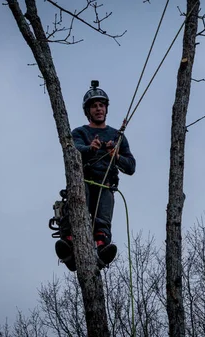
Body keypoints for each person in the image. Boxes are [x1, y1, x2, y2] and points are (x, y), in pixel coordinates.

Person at [54, 80, 136, 271]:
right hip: (83, 181)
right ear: (88, 111)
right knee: (75, 212)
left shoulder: (117, 136)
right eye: (94, 106)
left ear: (106, 109)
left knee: (102, 219)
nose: (98, 109)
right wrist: (91, 149)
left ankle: (101, 248)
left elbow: (131, 166)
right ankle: (69, 245)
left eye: (101, 105)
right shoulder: (80, 132)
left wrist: (116, 156)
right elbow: (73, 150)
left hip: (106, 184)